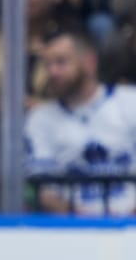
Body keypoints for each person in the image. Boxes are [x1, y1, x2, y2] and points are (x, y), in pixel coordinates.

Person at [24, 28, 136, 216]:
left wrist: (125, 221)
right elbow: (43, 191)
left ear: (90, 62)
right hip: (70, 232)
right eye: (47, 65)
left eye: (61, 62)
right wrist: (84, 225)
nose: (52, 72)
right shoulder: (40, 119)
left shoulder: (130, 102)